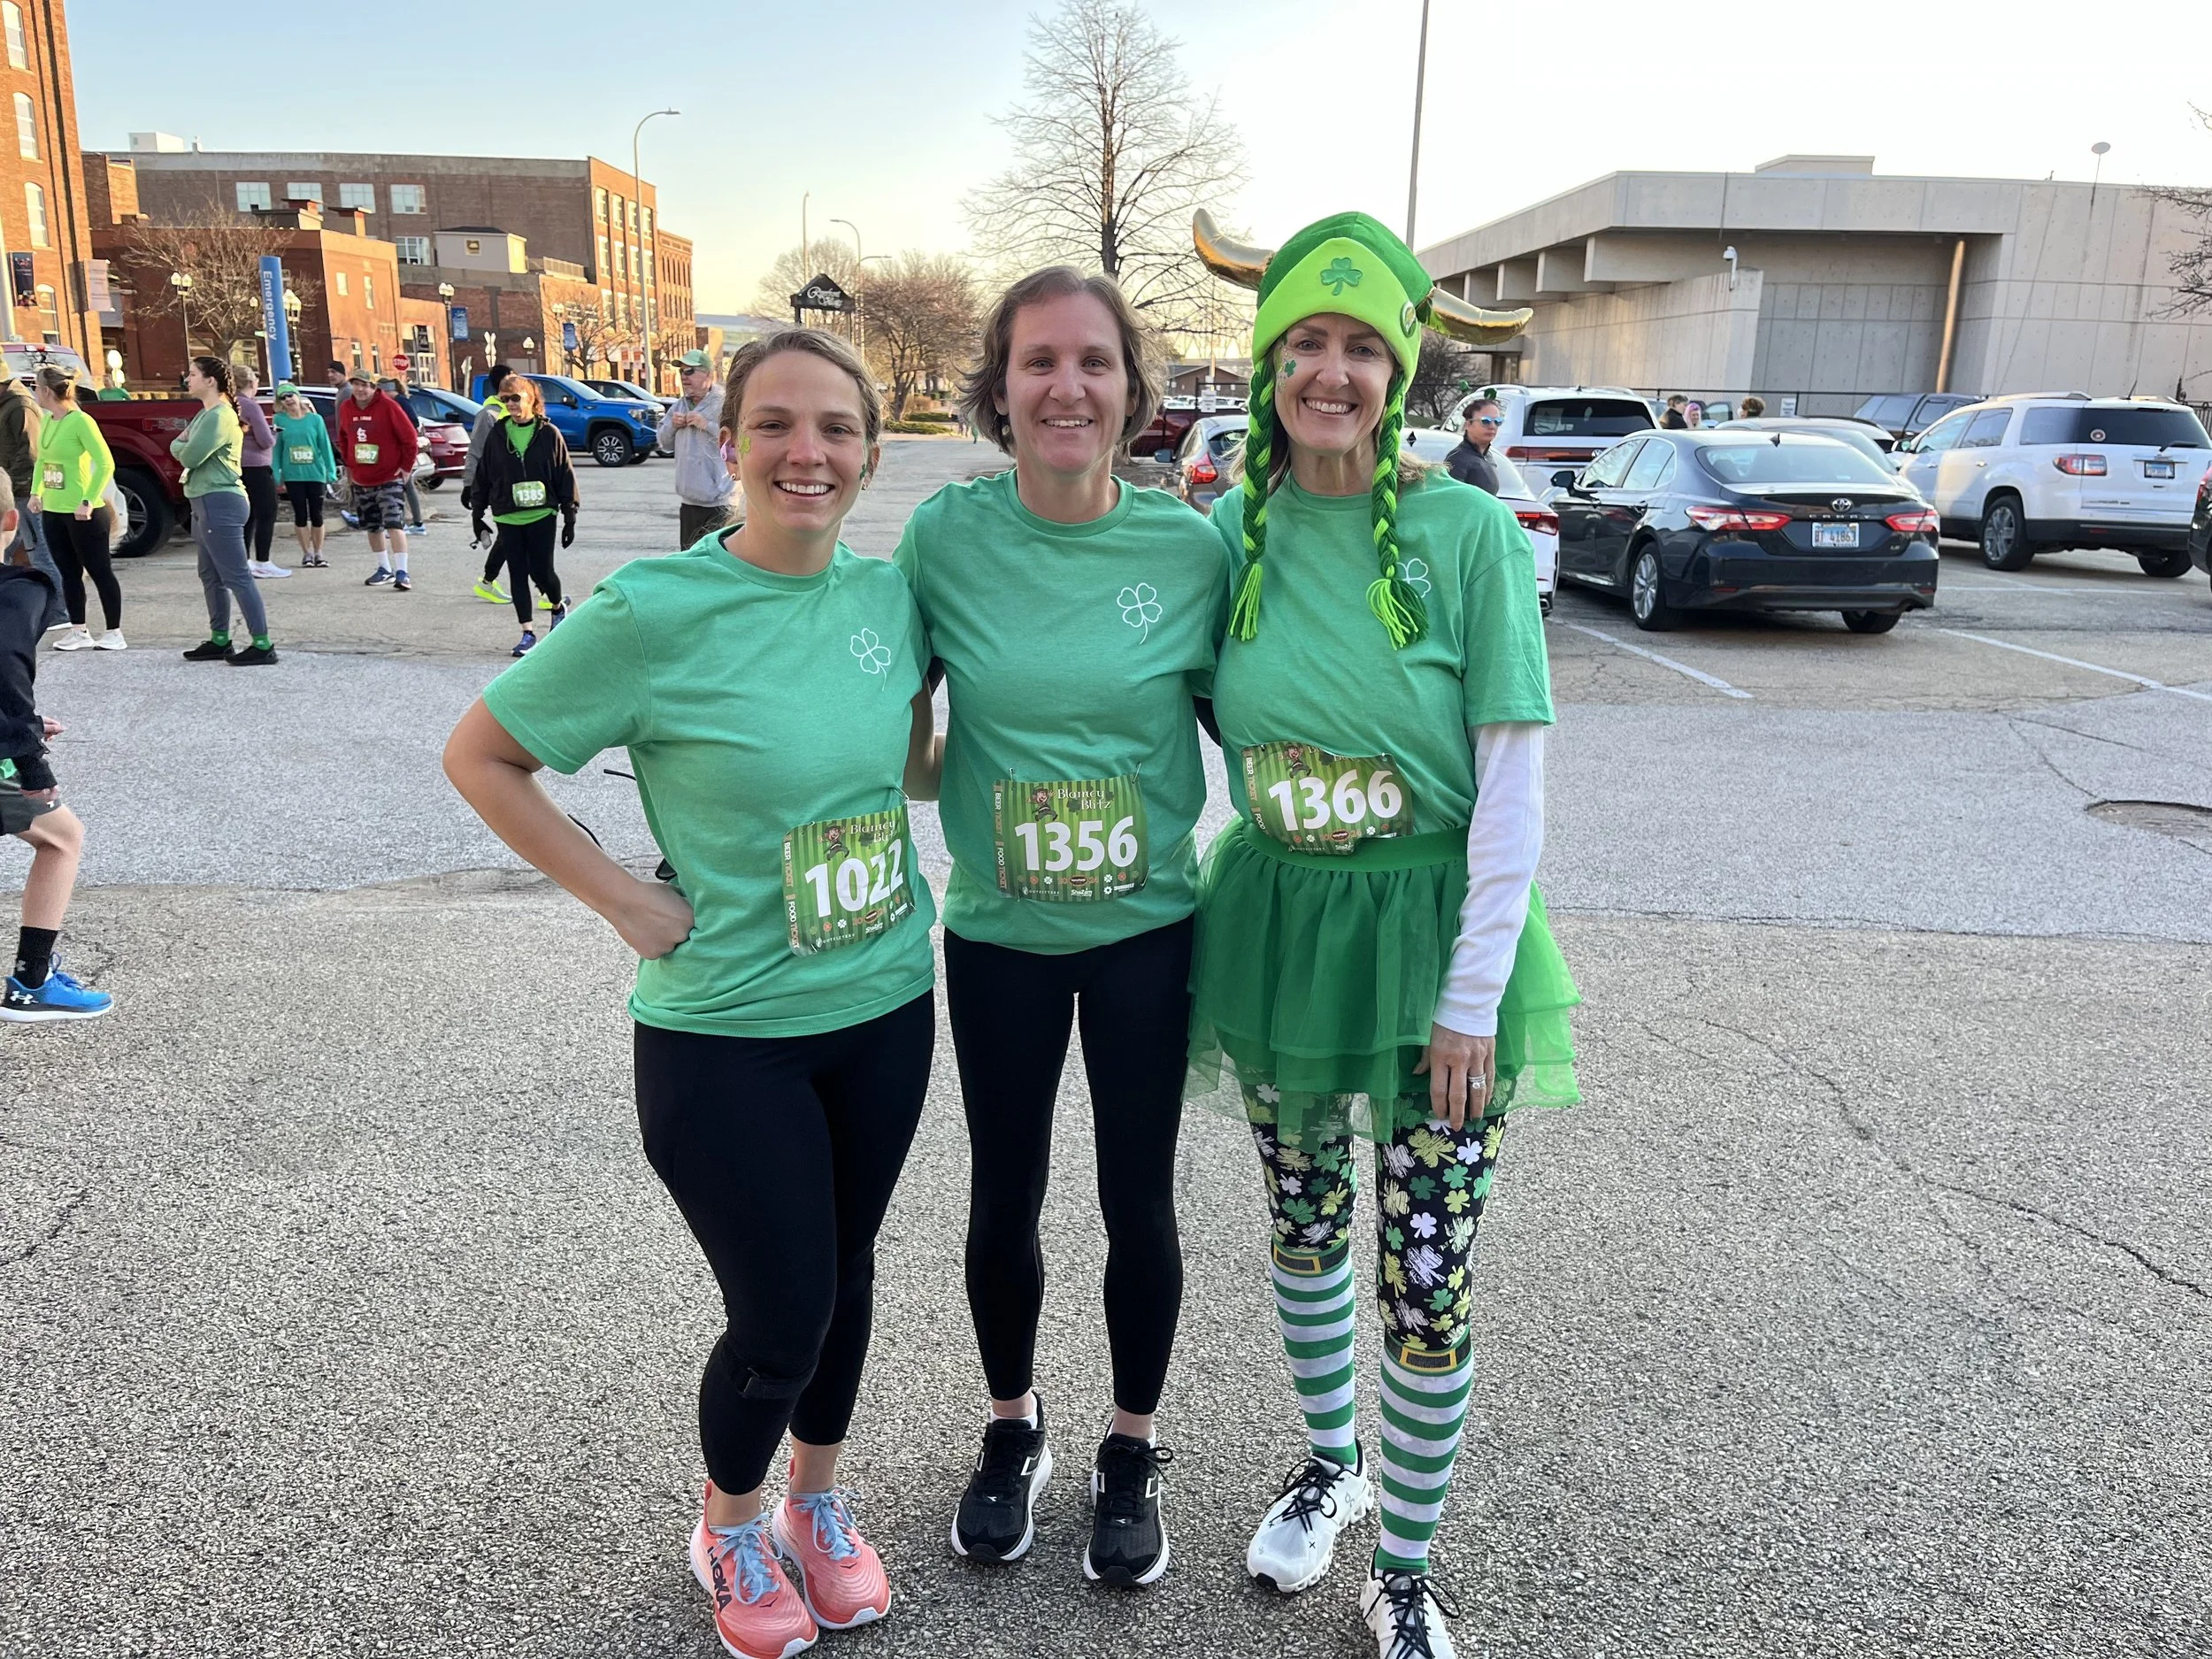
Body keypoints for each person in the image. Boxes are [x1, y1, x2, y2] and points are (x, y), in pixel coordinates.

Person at [444, 327, 938, 1659]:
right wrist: (621, 895)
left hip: (888, 1000)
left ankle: (816, 1507)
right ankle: (729, 1521)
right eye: (774, 423)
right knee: (780, 1310)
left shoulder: (892, 601)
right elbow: (482, 755)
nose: (806, 452)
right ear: (729, 440)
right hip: (728, 1035)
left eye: (835, 428)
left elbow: (911, 761)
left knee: (845, 1273)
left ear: (869, 453)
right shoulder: (652, 612)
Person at [1186, 211, 1580, 1659]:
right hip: (1282, 926)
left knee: (1426, 1266)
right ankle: (1331, 1460)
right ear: (1270, 360)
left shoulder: (1473, 533)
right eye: (1307, 343)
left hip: (1433, 945)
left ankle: (1403, 1563)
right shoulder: (1231, 529)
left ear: (1402, 369)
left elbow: (1515, 783)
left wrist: (1474, 991)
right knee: (1300, 1228)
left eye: (1362, 346)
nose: (1332, 372)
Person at [900, 265, 1228, 1588]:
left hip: (1149, 930)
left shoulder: (1189, 546)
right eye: (1038, 361)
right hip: (1000, 935)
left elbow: (1253, 715)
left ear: (1134, 392)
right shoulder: (945, 535)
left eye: (1094, 361)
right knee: (1005, 1191)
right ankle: (1011, 1423)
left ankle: (1132, 1444)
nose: (1066, 385)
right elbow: (871, 690)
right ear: (1000, 387)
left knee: (1136, 1195)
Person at [2, 473, 111, 1020]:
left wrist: (21, 720)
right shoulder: (18, 588)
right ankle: (31, 980)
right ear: (10, 521)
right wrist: (28, 753)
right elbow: (6, 670)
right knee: (62, 838)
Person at [173, 357, 275, 666]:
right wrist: (182, 446)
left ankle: (262, 644)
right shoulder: (205, 414)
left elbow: (187, 455)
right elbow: (177, 445)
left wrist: (183, 447)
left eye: (192, 374)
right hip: (203, 501)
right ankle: (220, 639)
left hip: (221, 502)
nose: (187, 379)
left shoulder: (219, 417)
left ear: (211, 381)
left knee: (236, 575)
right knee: (210, 574)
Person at [469, 374, 577, 657]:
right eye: (505, 399)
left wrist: (570, 515)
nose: (511, 404)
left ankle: (556, 607)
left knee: (541, 571)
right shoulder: (497, 434)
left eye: (515, 398)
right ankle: (527, 632)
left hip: (542, 513)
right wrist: (477, 514)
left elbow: (564, 474)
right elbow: (484, 476)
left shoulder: (548, 434)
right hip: (508, 515)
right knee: (517, 573)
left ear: (531, 399)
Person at [32, 366, 123, 650]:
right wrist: (37, 492)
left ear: (47, 391)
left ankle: (114, 632)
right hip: (54, 510)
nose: (34, 391)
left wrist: (88, 499)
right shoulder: (48, 421)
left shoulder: (81, 421)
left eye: (36, 386)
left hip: (84, 512)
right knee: (68, 573)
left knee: (99, 571)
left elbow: (106, 463)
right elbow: (42, 461)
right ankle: (79, 630)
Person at [339, 369, 420, 592]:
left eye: (365, 385)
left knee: (394, 523)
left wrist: (405, 468)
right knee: (372, 526)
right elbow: (344, 437)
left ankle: (402, 572)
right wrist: (350, 465)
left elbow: (410, 438)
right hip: (362, 479)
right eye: (356, 385)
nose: (360, 389)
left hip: (389, 477)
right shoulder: (347, 408)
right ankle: (384, 568)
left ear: (374, 388)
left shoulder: (389, 406)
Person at [0, 365, 61, 633]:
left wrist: (14, 488)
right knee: (14, 553)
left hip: (24, 493)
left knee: (42, 554)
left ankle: (60, 613)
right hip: (12, 493)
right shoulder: (6, 405)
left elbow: (31, 453)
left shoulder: (20, 407)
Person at [658, 348, 737, 548]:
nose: (684, 377)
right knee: (689, 560)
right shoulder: (680, 406)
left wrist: (707, 425)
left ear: (709, 374)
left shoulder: (724, 404)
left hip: (719, 504)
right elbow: (663, 444)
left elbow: (739, 441)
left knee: (715, 563)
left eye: (690, 372)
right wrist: (672, 426)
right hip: (689, 503)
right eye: (682, 372)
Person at [463, 363, 513, 605]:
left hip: (521, 485)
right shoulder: (489, 415)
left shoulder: (518, 409)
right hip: (498, 486)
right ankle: (488, 581)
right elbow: (475, 452)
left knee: (520, 535)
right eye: (510, 380)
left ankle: (487, 582)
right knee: (515, 534)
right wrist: (469, 486)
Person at [273, 381, 336, 568]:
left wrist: (330, 470)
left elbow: (325, 446)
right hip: (293, 475)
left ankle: (319, 552)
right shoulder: (280, 420)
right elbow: (276, 449)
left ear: (297, 396)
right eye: (283, 398)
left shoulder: (315, 420)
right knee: (300, 514)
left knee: (317, 514)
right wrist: (276, 472)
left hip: (315, 472)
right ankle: (306, 553)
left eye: (290, 395)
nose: (288, 400)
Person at [233, 362, 288, 580]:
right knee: (267, 512)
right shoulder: (251, 406)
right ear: (250, 383)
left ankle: (244, 560)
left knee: (247, 515)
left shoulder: (230, 404)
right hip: (257, 465)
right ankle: (263, 561)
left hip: (238, 465)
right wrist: (274, 433)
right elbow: (265, 441)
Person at [1442, 397, 1502, 495]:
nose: (1492, 426)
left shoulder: (1488, 456)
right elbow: (1451, 499)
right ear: (1468, 424)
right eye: (1486, 421)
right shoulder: (1457, 459)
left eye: (1497, 421)